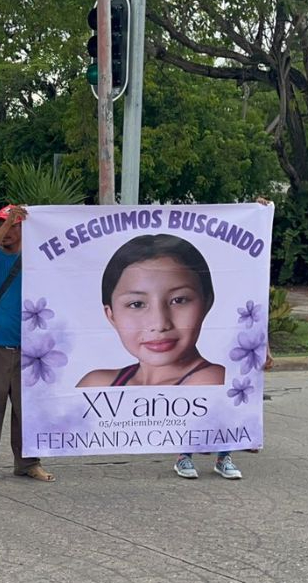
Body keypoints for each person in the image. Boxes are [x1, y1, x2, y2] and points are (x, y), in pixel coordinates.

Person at [175, 196, 275, 480]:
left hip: (236, 346)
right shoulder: (195, 278)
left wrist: (265, 346)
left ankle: (224, 456)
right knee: (196, 395)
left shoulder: (245, 273)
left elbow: (258, 310)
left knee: (229, 397)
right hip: (205, 343)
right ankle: (184, 455)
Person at [0, 205, 55, 485]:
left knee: (26, 411)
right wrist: (7, 226)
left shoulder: (36, 260)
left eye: (12, 225)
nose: (4, 231)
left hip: (30, 350)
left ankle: (28, 463)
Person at [76, 234, 225, 388]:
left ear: (207, 303)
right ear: (112, 316)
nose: (159, 324)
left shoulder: (212, 381)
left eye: (178, 300)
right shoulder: (96, 384)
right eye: (137, 304)